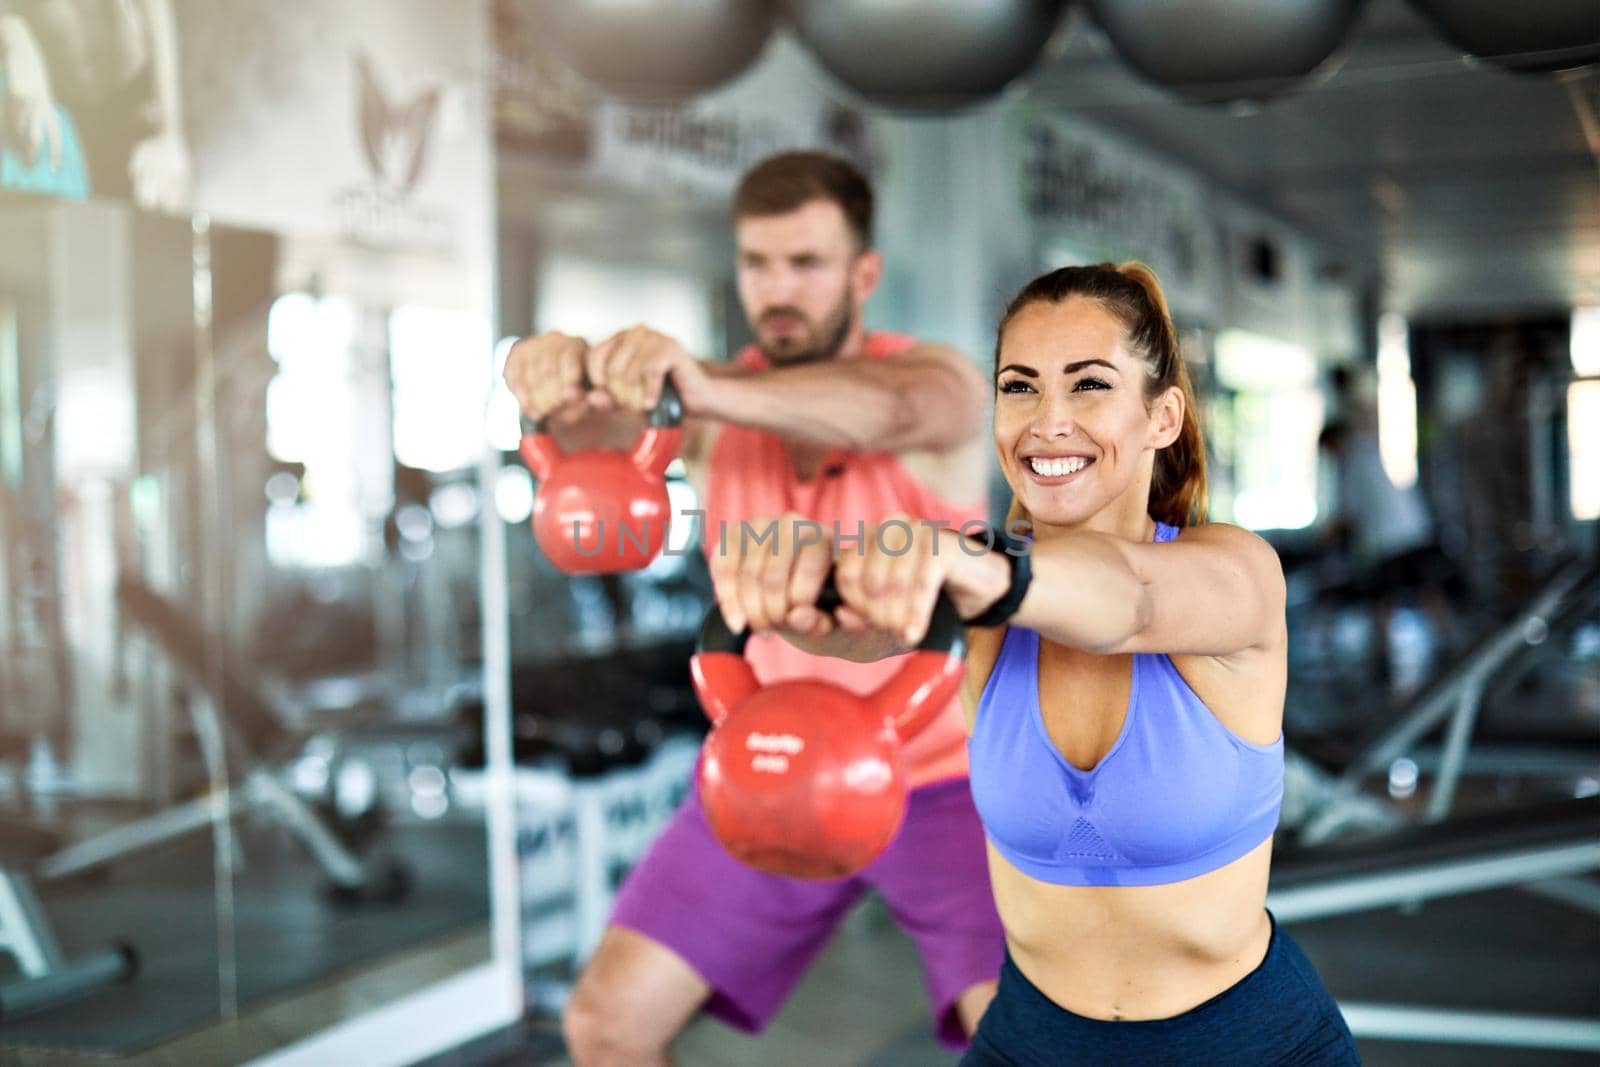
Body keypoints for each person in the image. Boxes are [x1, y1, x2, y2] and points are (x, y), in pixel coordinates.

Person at [715, 262, 1361, 1065]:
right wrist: (802, 585)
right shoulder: (983, 604)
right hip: (1029, 1042)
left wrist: (973, 562)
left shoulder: (1234, 573)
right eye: (1019, 387)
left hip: (1246, 1044)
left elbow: (1130, 600)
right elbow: (859, 625)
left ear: (1162, 416)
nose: (1047, 421)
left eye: (1088, 385)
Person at [502, 151, 1003, 1065]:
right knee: (607, 1027)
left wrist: (701, 385)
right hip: (763, 767)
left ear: (863, 275)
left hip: (948, 782)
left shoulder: (941, 383)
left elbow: (883, 412)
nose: (778, 289)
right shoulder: (705, 410)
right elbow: (595, 436)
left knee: (1028, 1047)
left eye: (806, 264)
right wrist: (547, 382)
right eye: (758, 263)